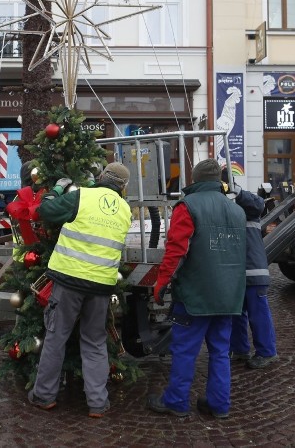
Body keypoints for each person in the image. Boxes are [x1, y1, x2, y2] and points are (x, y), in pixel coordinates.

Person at [27, 162, 132, 419]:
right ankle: (97, 403)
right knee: (95, 342)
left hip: (69, 281)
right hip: (101, 287)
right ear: (123, 187)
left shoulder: (83, 195)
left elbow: (45, 211)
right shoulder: (125, 209)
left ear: (102, 177)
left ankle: (44, 396)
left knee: (55, 337)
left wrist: (58, 190)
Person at [147, 158, 246, 419]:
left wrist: (161, 283)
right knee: (221, 351)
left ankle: (177, 401)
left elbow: (176, 251)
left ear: (195, 179)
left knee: (185, 350)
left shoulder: (188, 206)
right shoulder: (236, 210)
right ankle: (219, 404)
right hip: (229, 296)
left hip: (195, 296)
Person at [224, 170, 279, 369]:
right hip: (236, 274)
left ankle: (267, 352)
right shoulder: (228, 207)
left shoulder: (248, 205)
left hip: (253, 272)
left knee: (258, 314)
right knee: (236, 315)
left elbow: (259, 204)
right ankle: (240, 350)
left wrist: (236, 190)